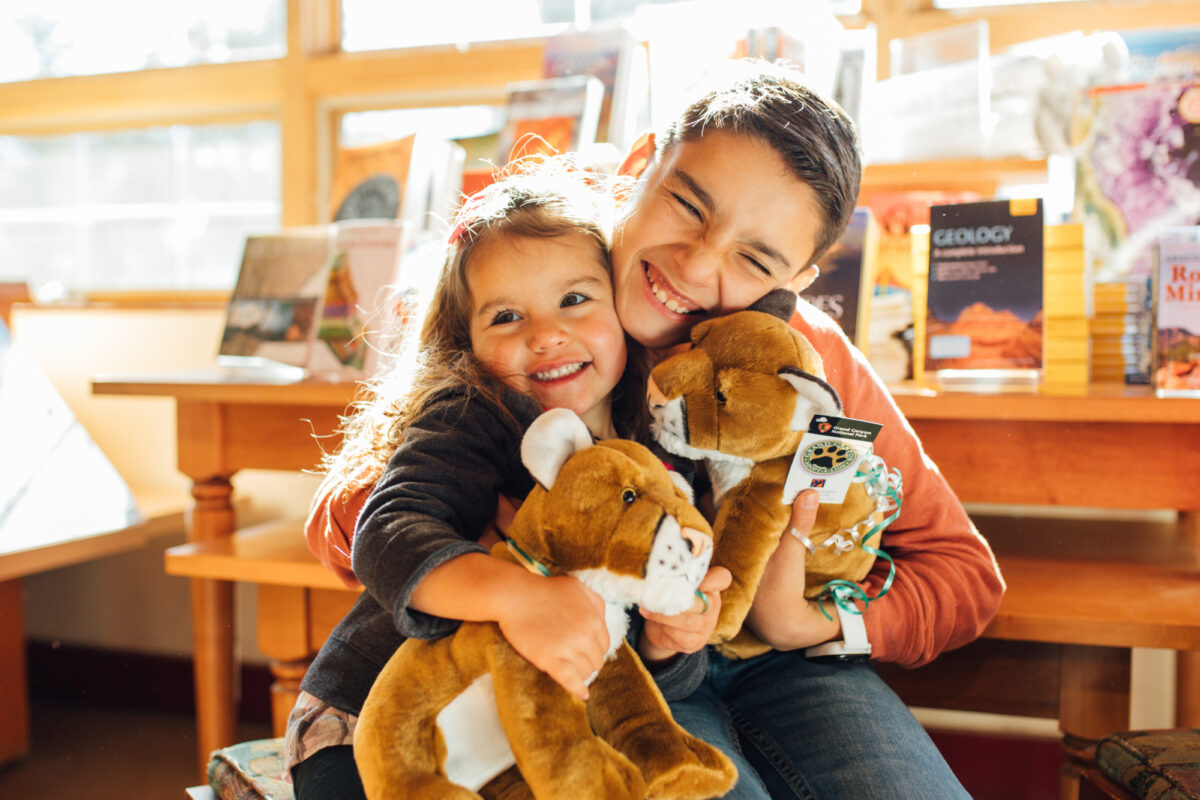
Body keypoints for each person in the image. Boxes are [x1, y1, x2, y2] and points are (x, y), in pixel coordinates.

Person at [303, 59, 1005, 799]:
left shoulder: (808, 367)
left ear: (797, 282)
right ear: (640, 165)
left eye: (756, 258)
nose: (696, 266)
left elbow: (960, 571)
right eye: (688, 207)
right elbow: (353, 513)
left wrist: (809, 622)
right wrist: (502, 556)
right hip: (617, 663)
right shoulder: (532, 296)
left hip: (772, 661)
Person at [287, 156, 728, 800]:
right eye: (506, 317)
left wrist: (671, 645)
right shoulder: (476, 413)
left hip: (527, 740)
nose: (548, 335)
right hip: (379, 722)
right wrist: (520, 597)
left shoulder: (661, 447)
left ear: (622, 311)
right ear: (465, 341)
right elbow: (386, 532)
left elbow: (644, 671)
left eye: (575, 300)